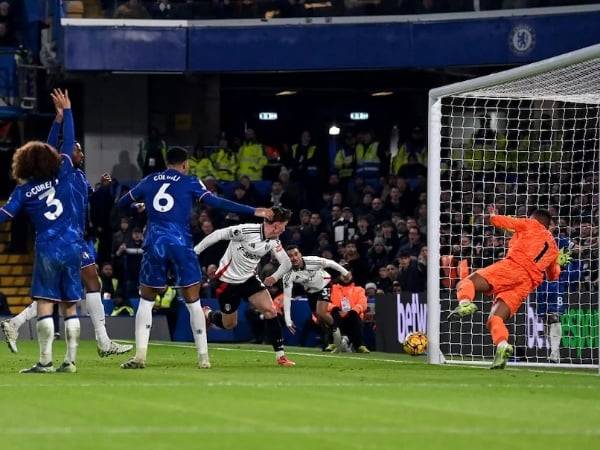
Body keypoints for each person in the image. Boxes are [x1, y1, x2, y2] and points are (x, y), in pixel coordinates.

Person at [0, 91, 132, 358]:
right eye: (76, 148)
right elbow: (50, 148)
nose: (78, 150)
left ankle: (15, 324)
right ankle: (103, 342)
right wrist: (63, 117)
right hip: (68, 238)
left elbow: (85, 200)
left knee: (59, 294)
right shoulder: (62, 170)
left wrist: (98, 188)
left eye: (79, 149)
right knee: (92, 284)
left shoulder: (77, 177)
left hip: (68, 237)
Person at [118, 146, 273, 370]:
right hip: (181, 243)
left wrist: (140, 206)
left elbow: (122, 204)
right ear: (185, 164)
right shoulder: (190, 181)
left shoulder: (150, 179)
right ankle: (203, 358)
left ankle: (140, 355)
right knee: (193, 301)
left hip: (155, 242)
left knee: (146, 299)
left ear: (166, 162)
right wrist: (254, 210)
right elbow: (217, 203)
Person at [0, 90, 82, 373]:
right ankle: (70, 362)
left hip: (47, 248)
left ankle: (45, 361)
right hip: (73, 244)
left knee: (45, 304)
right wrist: (65, 115)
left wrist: (59, 120)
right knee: (70, 305)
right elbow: (65, 144)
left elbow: (5, 215)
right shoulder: (64, 173)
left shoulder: (24, 190)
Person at [450, 206, 569, 369]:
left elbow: (505, 222)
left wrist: (492, 215)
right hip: (526, 284)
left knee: (466, 282)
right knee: (495, 319)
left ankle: (465, 303)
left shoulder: (531, 224)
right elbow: (553, 276)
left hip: (512, 268)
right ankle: (502, 346)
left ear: (534, 218)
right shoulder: (553, 248)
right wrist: (558, 263)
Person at [194, 207, 296, 367]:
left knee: (270, 310)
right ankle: (208, 314)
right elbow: (217, 234)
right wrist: (195, 252)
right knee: (229, 324)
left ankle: (281, 356)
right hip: (227, 281)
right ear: (276, 225)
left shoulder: (274, 241)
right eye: (283, 225)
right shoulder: (246, 230)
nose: (284, 229)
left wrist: (274, 277)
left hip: (249, 279)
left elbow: (286, 262)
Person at [282, 245, 352, 352]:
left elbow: (331, 263)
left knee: (321, 312)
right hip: (311, 292)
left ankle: (336, 332)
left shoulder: (312, 261)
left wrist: (345, 272)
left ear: (300, 254)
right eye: (290, 256)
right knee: (319, 320)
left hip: (325, 284)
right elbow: (287, 297)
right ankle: (337, 341)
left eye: (296, 254)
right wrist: (288, 319)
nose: (294, 258)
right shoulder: (288, 274)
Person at [328, 276, 370, 353]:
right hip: (337, 315)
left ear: (352, 275)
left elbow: (363, 303)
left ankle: (359, 345)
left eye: (348, 274)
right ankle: (332, 343)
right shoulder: (332, 288)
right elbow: (325, 302)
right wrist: (334, 308)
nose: (346, 276)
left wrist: (353, 311)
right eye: (343, 274)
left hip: (352, 316)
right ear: (339, 275)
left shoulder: (359, 289)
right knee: (333, 314)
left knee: (354, 315)